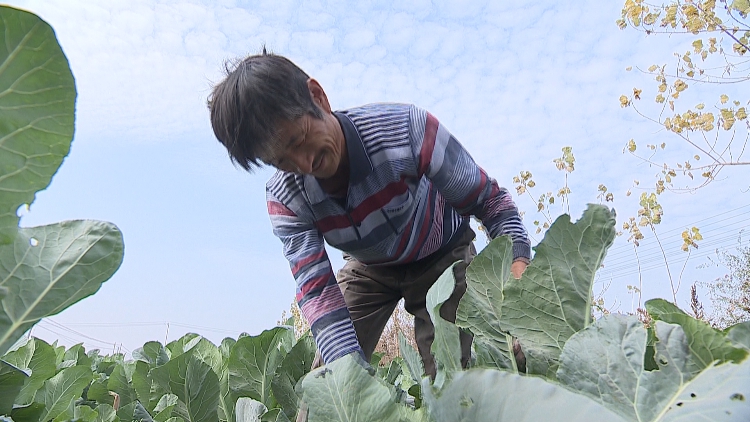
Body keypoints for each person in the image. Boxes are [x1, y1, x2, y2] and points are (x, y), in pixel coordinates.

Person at [207, 51, 530, 379]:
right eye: (281, 161)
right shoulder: (285, 198)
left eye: (300, 140)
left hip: (441, 253)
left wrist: (519, 281)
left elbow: (492, 205)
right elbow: (318, 290)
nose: (304, 165)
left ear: (317, 97)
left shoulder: (407, 132)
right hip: (369, 268)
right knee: (331, 390)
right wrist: (350, 382)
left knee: (452, 384)